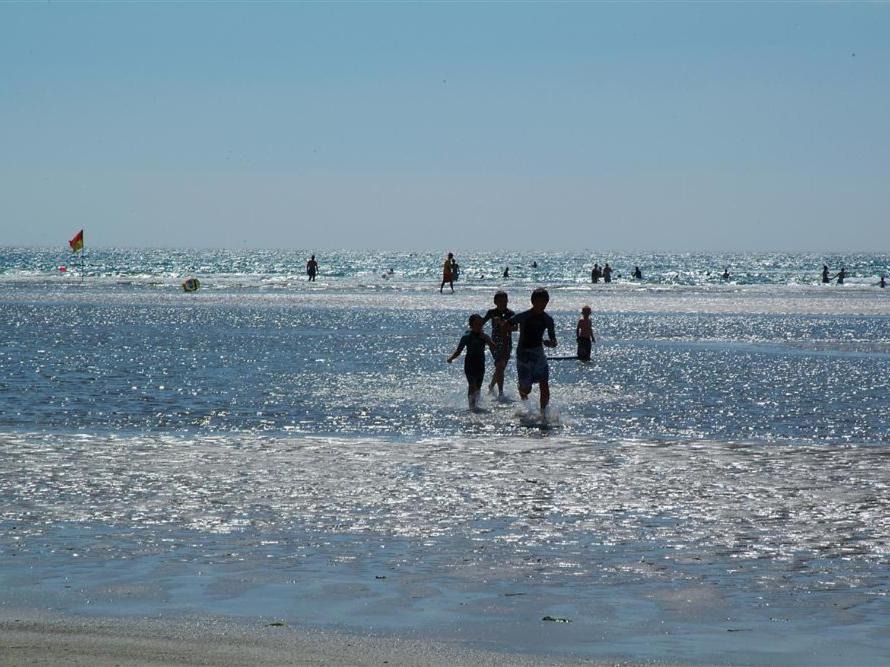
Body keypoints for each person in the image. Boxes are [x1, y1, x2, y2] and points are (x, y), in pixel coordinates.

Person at [506, 288, 557, 416]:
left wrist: (550, 343)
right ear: (533, 302)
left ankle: (544, 413)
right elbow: (507, 324)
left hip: (539, 353)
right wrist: (507, 335)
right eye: (539, 302)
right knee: (526, 389)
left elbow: (554, 340)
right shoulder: (524, 316)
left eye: (544, 302)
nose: (541, 305)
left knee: (544, 383)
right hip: (523, 353)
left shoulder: (548, 319)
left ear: (547, 302)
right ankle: (522, 390)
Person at [447, 314, 495, 410]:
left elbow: (493, 346)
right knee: (472, 385)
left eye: (481, 324)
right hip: (470, 364)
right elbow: (458, 350)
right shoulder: (466, 336)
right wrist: (451, 358)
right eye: (476, 324)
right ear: (471, 325)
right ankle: (471, 407)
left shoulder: (484, 336)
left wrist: (486, 338)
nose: (479, 326)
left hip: (480, 364)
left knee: (478, 387)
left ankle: (476, 405)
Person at [482, 291, 515, 397]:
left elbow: (515, 328)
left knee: (501, 367)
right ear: (495, 302)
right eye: (500, 301)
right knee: (500, 365)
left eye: (505, 301)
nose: (503, 303)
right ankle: (500, 392)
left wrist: (504, 324)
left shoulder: (511, 313)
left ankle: (491, 386)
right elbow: (480, 323)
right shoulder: (491, 312)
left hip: (507, 342)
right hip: (495, 342)